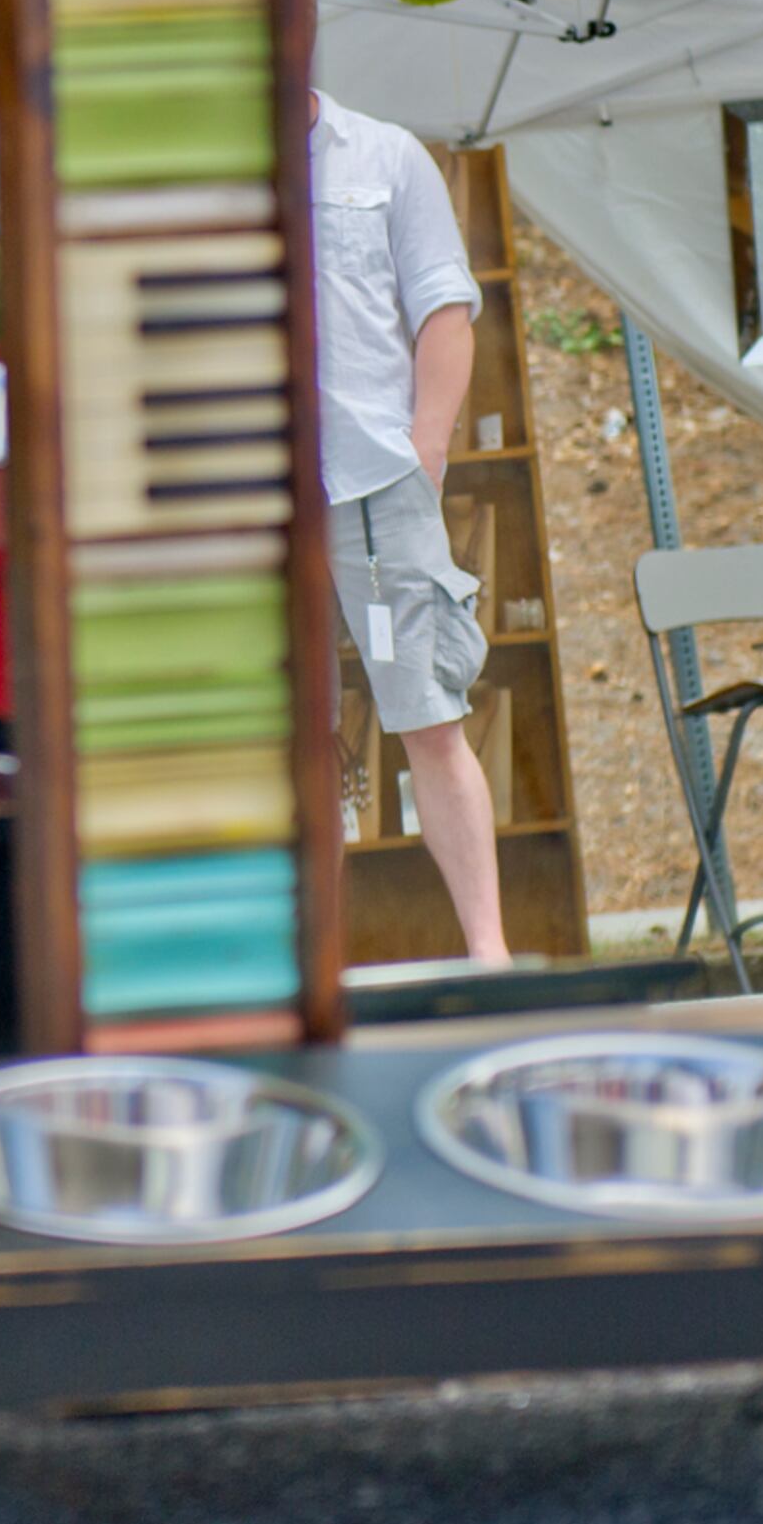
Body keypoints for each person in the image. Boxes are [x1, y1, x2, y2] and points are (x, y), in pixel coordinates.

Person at [308, 90, 503, 963]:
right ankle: (309, 968)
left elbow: (445, 313)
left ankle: (489, 952)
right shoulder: (204, 166)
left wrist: (424, 453)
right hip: (250, 495)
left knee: (431, 719)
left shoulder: (385, 153)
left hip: (377, 480)